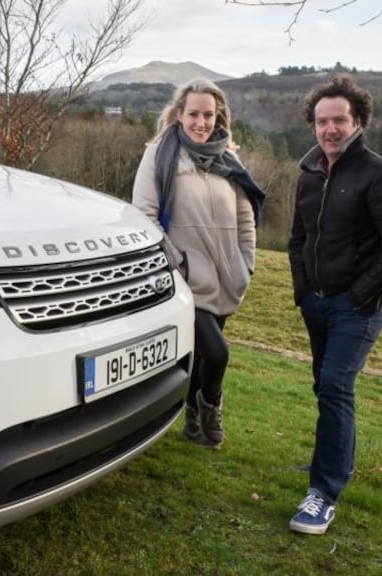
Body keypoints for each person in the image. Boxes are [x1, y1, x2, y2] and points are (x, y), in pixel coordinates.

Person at [287, 75, 382, 534]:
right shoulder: (309, 173)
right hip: (317, 304)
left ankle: (323, 493)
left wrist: (361, 297)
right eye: (322, 121)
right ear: (313, 125)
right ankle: (332, 464)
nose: (330, 129)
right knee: (325, 387)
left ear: (358, 120)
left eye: (339, 119)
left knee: (335, 386)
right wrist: (303, 292)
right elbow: (299, 237)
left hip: (356, 307)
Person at [132, 78, 266, 449]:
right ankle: (211, 409)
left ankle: (192, 423)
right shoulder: (160, 155)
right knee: (217, 353)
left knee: (204, 354)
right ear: (179, 114)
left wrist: (245, 263)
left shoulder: (229, 158)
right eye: (194, 114)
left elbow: (245, 219)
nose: (201, 123)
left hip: (227, 277)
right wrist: (179, 267)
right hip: (186, 278)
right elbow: (143, 215)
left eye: (209, 114)